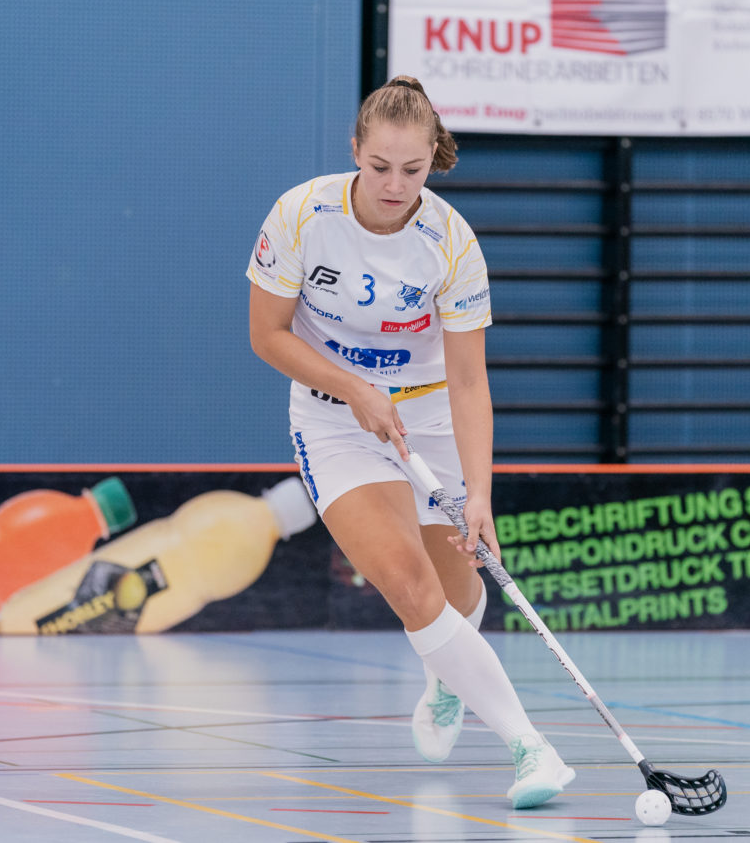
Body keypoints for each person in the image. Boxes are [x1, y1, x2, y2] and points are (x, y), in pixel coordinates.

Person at [246, 75, 574, 809]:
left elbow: (469, 381)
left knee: (458, 593)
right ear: (355, 150)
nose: (395, 185)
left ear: (433, 160)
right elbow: (266, 335)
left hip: (429, 420)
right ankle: (532, 747)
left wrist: (481, 493)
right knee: (407, 582)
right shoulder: (301, 216)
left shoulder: (451, 243)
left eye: (413, 169)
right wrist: (354, 388)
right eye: (379, 166)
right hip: (335, 419)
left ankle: (445, 674)